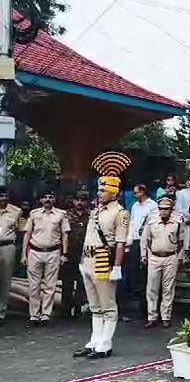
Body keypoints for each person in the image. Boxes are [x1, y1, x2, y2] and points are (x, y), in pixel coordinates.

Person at [74, 152, 130, 359]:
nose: (99, 192)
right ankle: (94, 341)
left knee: (107, 305)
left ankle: (105, 344)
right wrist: (82, 260)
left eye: (103, 189)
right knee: (94, 305)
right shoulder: (96, 211)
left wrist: (116, 266)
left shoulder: (120, 213)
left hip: (103, 260)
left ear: (114, 192)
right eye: (99, 189)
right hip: (87, 260)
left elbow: (121, 242)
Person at [21, 189, 70, 327]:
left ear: (54, 199)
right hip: (35, 251)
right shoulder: (34, 214)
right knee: (33, 286)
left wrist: (64, 254)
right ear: (41, 200)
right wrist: (23, 254)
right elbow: (27, 234)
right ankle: (34, 315)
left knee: (50, 285)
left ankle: (45, 315)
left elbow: (65, 234)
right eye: (45, 197)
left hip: (53, 252)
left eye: (50, 197)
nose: (48, 200)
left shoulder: (61, 214)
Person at [140, 197, 183, 329]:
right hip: (154, 256)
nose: (163, 212)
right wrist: (143, 255)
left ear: (171, 210)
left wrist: (180, 257)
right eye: (161, 209)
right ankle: (152, 316)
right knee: (152, 288)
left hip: (171, 256)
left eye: (166, 209)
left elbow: (182, 240)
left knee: (168, 288)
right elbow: (145, 238)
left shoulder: (177, 221)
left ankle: (166, 317)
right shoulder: (152, 220)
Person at [122, 184, 157, 321]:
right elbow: (132, 224)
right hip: (135, 241)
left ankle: (146, 308)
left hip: (147, 241)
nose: (134, 195)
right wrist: (128, 242)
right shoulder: (135, 206)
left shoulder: (152, 205)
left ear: (143, 192)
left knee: (145, 275)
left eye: (136, 192)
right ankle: (136, 306)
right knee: (133, 274)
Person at [61, 192, 89, 319]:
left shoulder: (91, 215)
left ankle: (79, 307)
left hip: (85, 252)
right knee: (67, 282)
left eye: (82, 200)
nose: (79, 203)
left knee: (83, 282)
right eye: (77, 200)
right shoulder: (65, 215)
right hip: (69, 252)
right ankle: (66, 309)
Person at [0, 186, 20, 326]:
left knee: (5, 280)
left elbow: (20, 231)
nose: (3, 198)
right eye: (1, 196)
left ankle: (1, 312)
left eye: (5, 195)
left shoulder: (16, 211)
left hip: (7, 246)